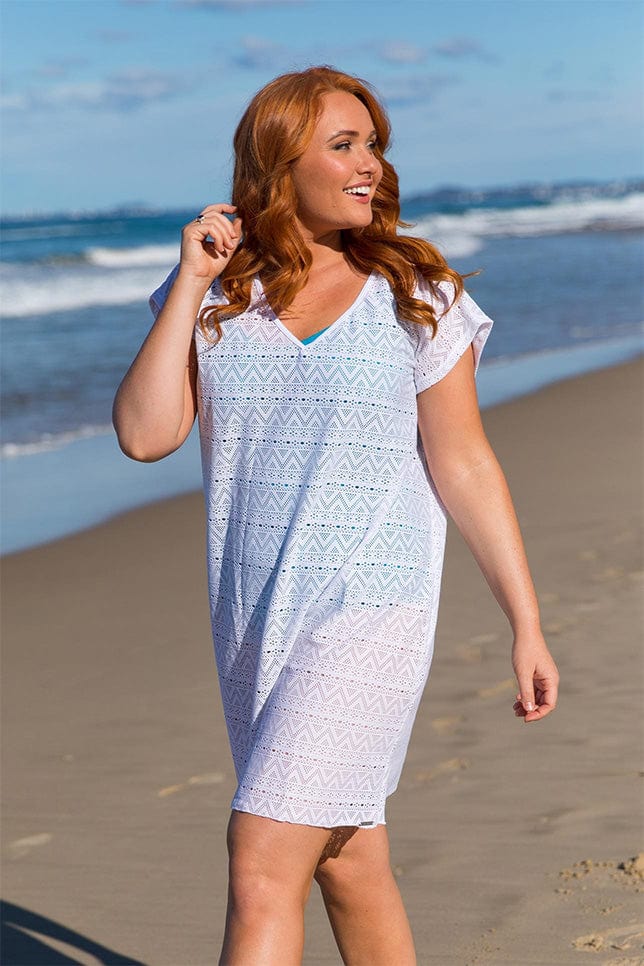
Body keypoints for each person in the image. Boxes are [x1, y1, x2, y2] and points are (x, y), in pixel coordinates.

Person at [113, 65, 559, 966]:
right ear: (279, 162)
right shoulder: (217, 293)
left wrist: (526, 622)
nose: (371, 165)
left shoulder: (415, 291)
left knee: (261, 861)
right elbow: (145, 435)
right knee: (348, 861)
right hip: (254, 611)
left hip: (372, 606)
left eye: (374, 145)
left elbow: (464, 462)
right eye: (345, 145)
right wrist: (191, 281)